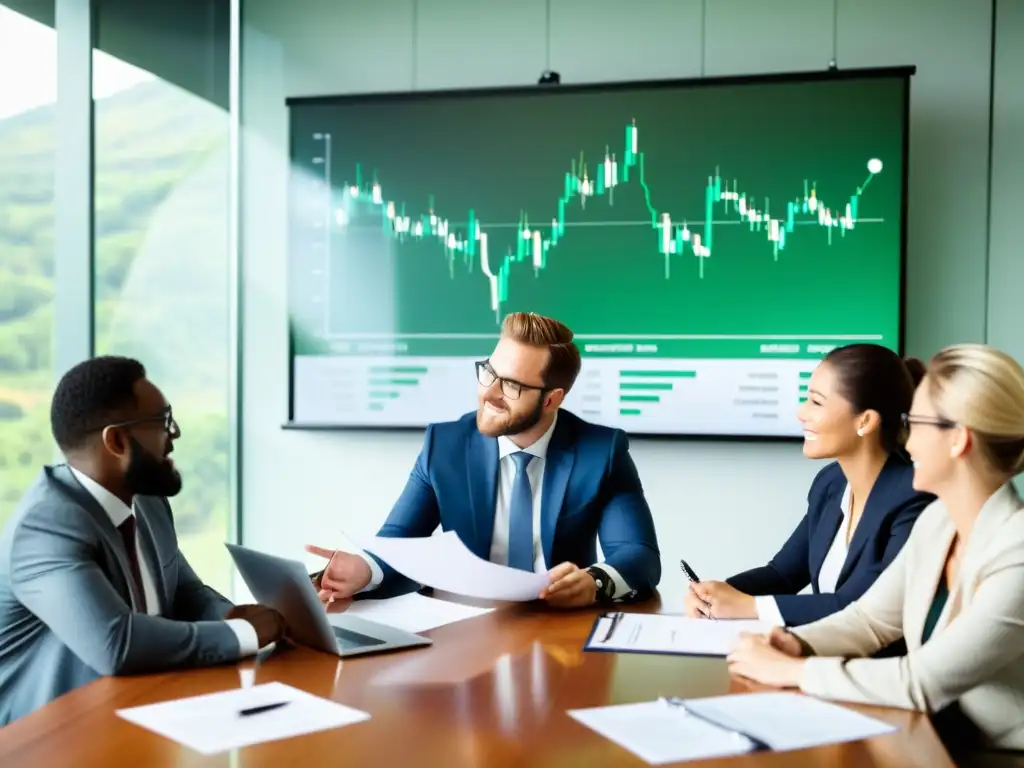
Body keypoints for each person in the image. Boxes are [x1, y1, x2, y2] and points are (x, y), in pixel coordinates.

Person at [726, 343, 1024, 760]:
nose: (906, 439)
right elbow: (870, 620)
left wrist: (794, 671)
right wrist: (796, 643)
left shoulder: (1017, 552)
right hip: (931, 737)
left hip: (993, 756)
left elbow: (920, 681)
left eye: (915, 422)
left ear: (958, 440)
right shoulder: (938, 522)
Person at [0, 356, 287, 725]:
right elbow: (115, 643)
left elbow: (185, 591)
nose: (175, 434)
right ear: (117, 440)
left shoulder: (146, 500)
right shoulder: (46, 527)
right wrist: (242, 634)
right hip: (52, 738)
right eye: (163, 421)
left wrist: (230, 615)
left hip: (142, 709)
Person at [307, 312, 661, 609]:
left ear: (551, 400)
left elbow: (638, 555)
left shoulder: (601, 451)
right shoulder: (444, 444)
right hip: (462, 627)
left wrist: (594, 582)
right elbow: (400, 542)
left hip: (559, 633)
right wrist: (365, 570)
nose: (489, 393)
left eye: (511, 386)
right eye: (489, 372)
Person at [684, 343, 933, 627]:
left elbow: (860, 607)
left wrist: (748, 606)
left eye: (816, 402)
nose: (801, 412)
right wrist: (718, 594)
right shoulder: (831, 483)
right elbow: (782, 575)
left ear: (864, 421)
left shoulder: (913, 498)